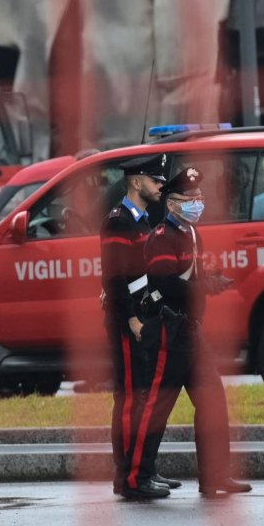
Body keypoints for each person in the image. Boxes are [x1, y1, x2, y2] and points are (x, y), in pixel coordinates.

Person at [141, 165, 253, 498]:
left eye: (200, 197)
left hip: (191, 331)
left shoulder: (191, 233)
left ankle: (215, 475)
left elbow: (189, 276)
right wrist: (205, 286)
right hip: (168, 330)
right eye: (190, 198)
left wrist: (209, 277)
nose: (197, 202)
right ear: (172, 204)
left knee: (213, 403)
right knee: (158, 408)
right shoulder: (163, 237)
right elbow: (163, 282)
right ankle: (139, 475)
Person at [101, 153, 176, 501]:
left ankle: (144, 469)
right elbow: (115, 277)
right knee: (131, 398)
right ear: (135, 181)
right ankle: (130, 477)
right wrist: (130, 318)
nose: (161, 185)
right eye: (154, 179)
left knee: (142, 397)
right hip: (127, 321)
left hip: (144, 319)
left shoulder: (144, 221)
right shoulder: (119, 222)